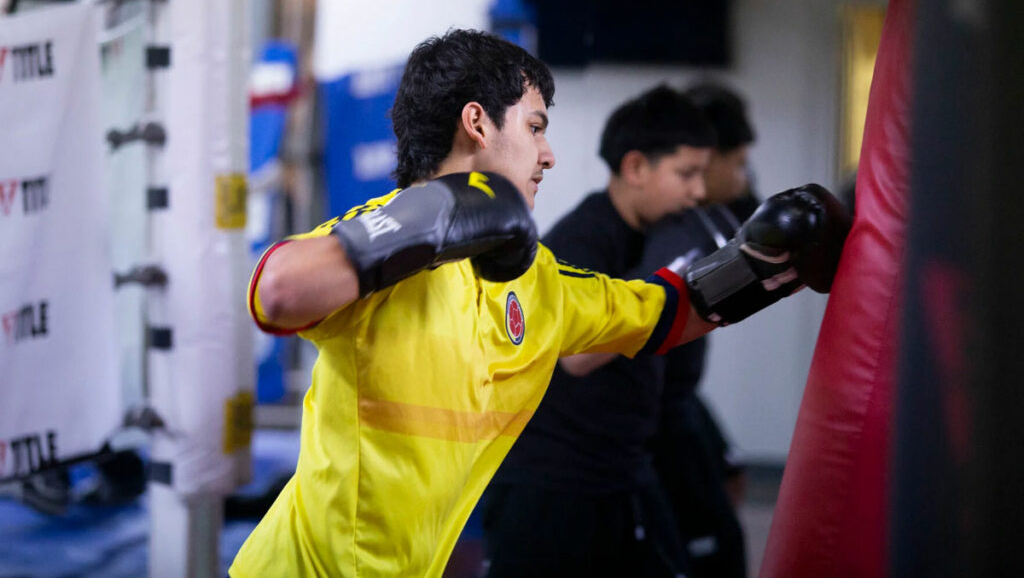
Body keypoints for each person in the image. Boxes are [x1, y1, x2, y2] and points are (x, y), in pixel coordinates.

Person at [228, 29, 850, 577]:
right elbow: (278, 291)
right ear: (476, 123)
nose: (548, 154)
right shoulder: (377, 251)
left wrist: (766, 265)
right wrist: (447, 208)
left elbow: (665, 311)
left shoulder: (537, 281)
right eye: (534, 127)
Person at [481, 84, 716, 578]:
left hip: (621, 470)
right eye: (686, 174)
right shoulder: (582, 238)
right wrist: (660, 278)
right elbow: (578, 357)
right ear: (636, 168)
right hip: (552, 484)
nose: (699, 191)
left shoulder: (653, 233)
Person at [638, 82, 762, 578]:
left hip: (678, 402)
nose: (743, 174)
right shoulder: (674, 236)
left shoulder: (709, 222)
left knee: (723, 524)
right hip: (646, 421)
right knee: (708, 547)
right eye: (735, 162)